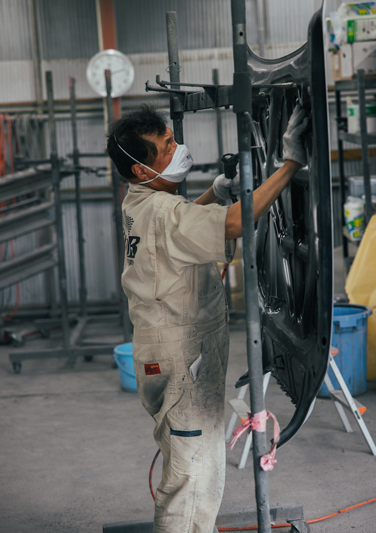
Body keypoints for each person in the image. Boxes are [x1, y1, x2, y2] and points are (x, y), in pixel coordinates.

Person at [106, 103, 308, 533]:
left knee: (190, 462)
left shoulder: (140, 202)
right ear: (141, 169)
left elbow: (179, 229)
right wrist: (290, 164)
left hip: (163, 349)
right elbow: (235, 223)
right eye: (167, 146)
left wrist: (213, 193)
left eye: (172, 138)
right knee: (193, 476)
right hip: (182, 358)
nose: (177, 147)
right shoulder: (162, 211)